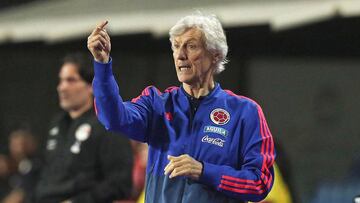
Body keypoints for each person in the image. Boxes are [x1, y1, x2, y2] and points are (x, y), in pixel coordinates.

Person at [87, 12, 275, 203]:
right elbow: (113, 118)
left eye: (191, 46)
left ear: (215, 55)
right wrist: (102, 65)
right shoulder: (157, 104)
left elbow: (260, 182)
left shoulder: (245, 112)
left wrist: (203, 170)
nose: (180, 55)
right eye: (176, 46)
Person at [34, 53, 133, 203]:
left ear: (91, 86)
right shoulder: (57, 123)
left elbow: (121, 183)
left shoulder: (108, 125)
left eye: (71, 80)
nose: (62, 87)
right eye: (61, 80)